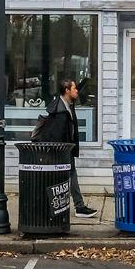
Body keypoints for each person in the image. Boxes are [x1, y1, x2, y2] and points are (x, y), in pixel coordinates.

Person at [36, 76, 99, 218]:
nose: (76, 91)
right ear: (66, 90)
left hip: (66, 150)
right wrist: (63, 152)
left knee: (69, 177)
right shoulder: (60, 112)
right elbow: (57, 135)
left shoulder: (67, 105)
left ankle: (78, 206)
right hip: (60, 152)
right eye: (74, 88)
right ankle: (76, 207)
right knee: (60, 178)